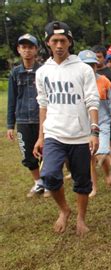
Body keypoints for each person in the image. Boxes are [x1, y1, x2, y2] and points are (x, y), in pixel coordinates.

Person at [33, 21, 100, 236]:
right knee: (50, 176)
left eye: (63, 40)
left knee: (82, 181)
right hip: (54, 134)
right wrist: (40, 137)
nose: (59, 45)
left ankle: (81, 218)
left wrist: (94, 131)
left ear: (70, 42)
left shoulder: (83, 69)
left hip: (80, 136)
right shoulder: (43, 72)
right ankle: (64, 210)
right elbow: (43, 105)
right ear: (48, 43)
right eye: (55, 41)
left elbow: (92, 101)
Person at [7, 34, 46, 198]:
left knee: (47, 150)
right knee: (28, 154)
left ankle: (49, 181)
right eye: (23, 47)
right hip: (23, 118)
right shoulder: (15, 73)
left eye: (30, 47)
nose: (27, 50)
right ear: (19, 50)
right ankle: (38, 182)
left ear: (36, 49)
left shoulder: (44, 71)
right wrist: (10, 125)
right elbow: (11, 99)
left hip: (42, 117)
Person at [78, 50, 111, 197]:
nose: (90, 68)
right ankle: (93, 187)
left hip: (102, 124)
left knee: (101, 152)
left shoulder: (104, 81)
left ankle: (108, 173)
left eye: (92, 65)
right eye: (86, 65)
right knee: (91, 157)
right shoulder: (76, 83)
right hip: (84, 126)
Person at [91, 45, 111, 164]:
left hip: (105, 114)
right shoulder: (84, 76)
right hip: (89, 119)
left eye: (99, 57)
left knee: (106, 141)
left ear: (105, 58)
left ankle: (109, 157)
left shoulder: (110, 74)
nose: (96, 60)